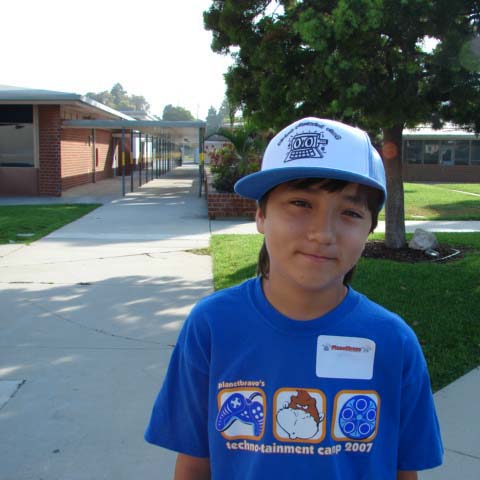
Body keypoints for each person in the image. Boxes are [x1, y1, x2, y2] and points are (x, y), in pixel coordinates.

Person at [145, 117, 443, 479]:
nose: (323, 233)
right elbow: (194, 463)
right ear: (260, 214)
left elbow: (403, 470)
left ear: (369, 229)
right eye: (301, 203)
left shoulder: (393, 341)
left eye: (350, 212)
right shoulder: (211, 325)